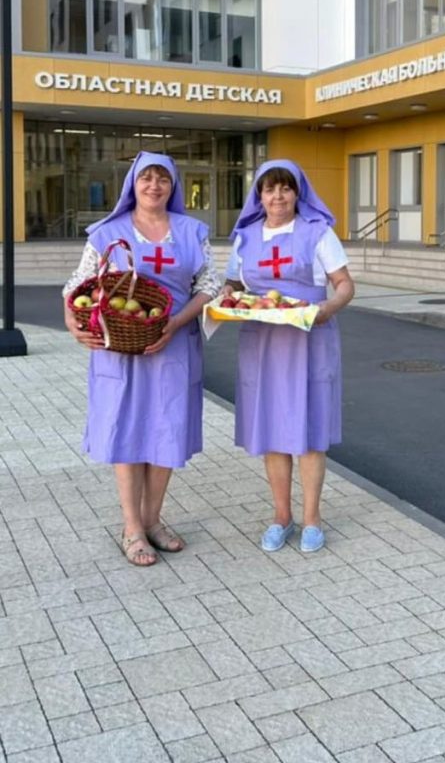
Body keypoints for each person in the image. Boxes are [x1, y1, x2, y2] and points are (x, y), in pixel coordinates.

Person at [63, 151, 219, 566]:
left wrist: (176, 321)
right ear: (133, 183)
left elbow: (209, 284)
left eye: (162, 178)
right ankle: (132, 527)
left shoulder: (192, 231)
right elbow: (77, 284)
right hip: (120, 349)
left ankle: (153, 520)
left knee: (166, 430)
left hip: (173, 346)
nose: (154, 185)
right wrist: (72, 321)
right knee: (127, 431)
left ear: (173, 185)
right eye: (146, 178)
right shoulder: (107, 233)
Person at [223, 158, 354, 553]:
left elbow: (344, 284)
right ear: (259, 196)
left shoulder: (318, 232)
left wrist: (328, 309)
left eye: (285, 188)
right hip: (262, 342)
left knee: (310, 431)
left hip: (309, 338)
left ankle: (312, 519)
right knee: (272, 430)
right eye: (269, 189)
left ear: (298, 193)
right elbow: (233, 284)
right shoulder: (245, 237)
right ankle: (282, 516)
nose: (277, 196)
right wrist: (227, 297)